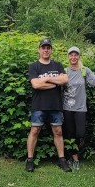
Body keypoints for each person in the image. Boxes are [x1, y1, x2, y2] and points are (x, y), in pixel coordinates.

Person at [26, 38, 72, 173]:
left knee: (58, 132)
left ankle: (62, 160)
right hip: (39, 105)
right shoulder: (34, 66)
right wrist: (54, 83)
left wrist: (45, 79)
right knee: (34, 131)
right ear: (39, 50)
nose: (46, 50)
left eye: (48, 47)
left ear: (51, 50)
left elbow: (65, 79)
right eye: (43, 47)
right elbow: (35, 84)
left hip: (55, 105)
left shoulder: (57, 65)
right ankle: (29, 160)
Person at [62, 46, 95, 170]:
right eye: (71, 55)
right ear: (68, 57)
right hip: (67, 108)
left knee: (80, 133)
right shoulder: (64, 72)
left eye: (76, 55)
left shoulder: (85, 71)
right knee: (70, 134)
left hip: (80, 108)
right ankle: (74, 159)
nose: (73, 57)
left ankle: (75, 154)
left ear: (79, 56)